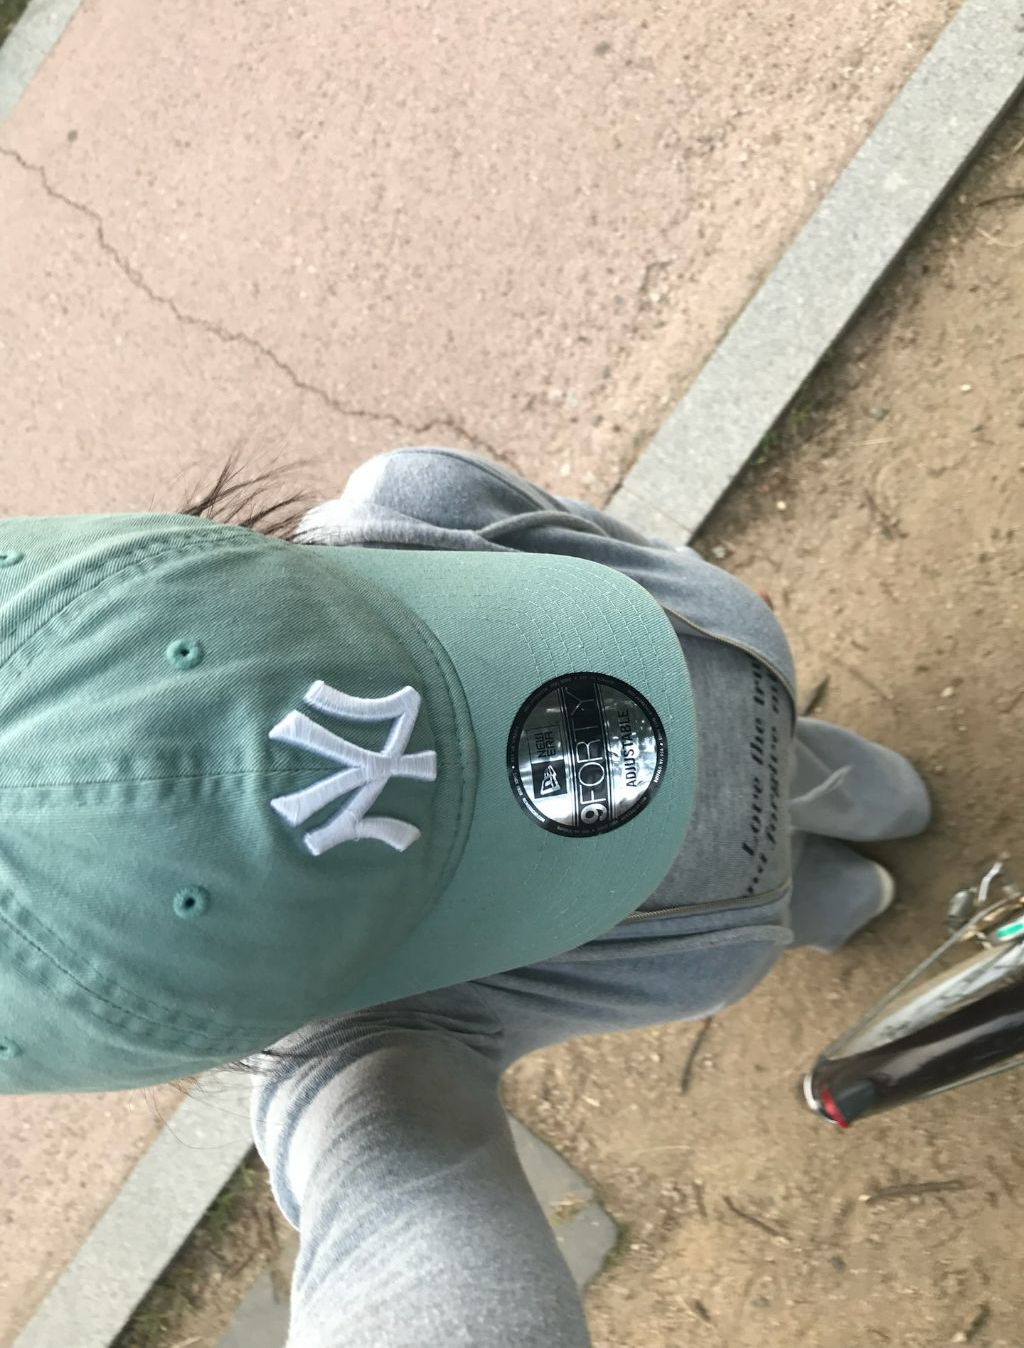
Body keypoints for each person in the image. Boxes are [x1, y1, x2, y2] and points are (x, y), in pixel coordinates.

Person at [0, 447, 929, 1347]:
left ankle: (836, 893)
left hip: (713, 921)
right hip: (723, 667)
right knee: (804, 774)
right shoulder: (409, 500)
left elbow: (404, 1213)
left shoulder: (360, 1036)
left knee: (792, 886)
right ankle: (877, 806)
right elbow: (577, 532)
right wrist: (719, 614)